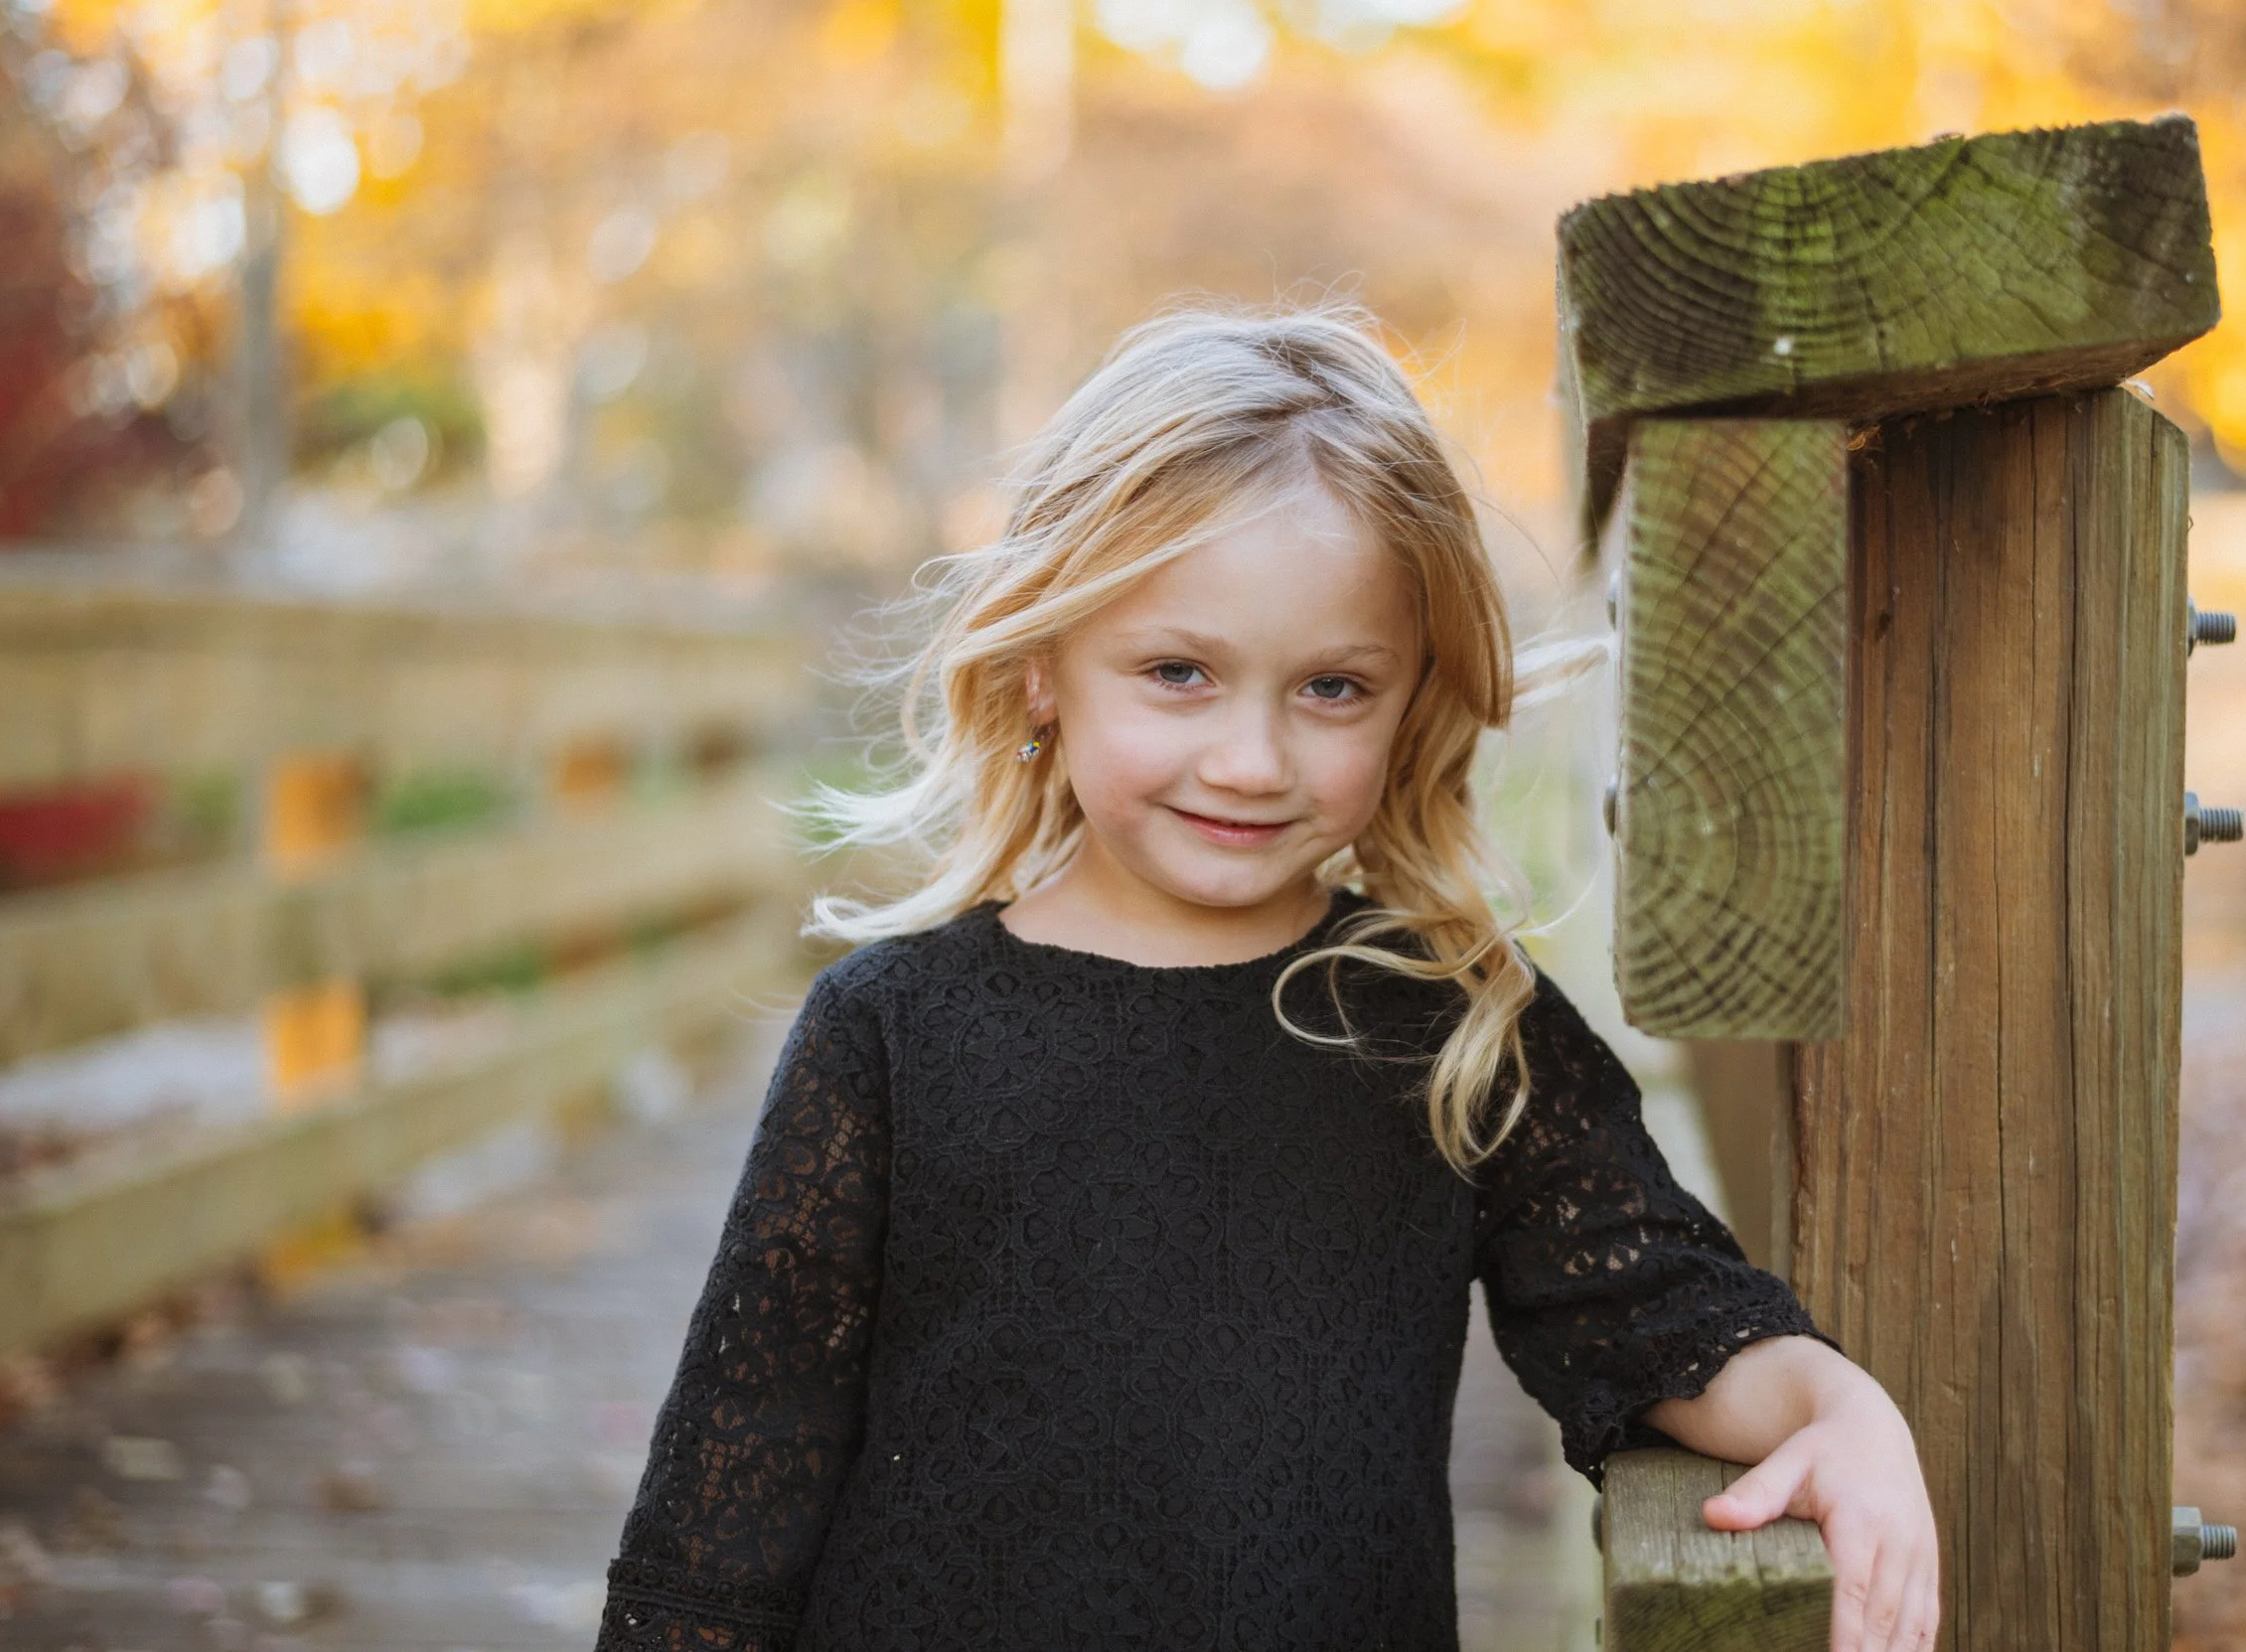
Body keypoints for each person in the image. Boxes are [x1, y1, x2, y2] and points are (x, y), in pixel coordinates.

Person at [592, 306, 1937, 1652]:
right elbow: (731, 1491)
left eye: (1334, 689)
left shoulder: (1454, 1022)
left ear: (1414, 690)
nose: (1251, 757)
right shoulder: (890, 1028)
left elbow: (1659, 1311)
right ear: (1038, 663)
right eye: (1179, 672)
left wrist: (1839, 1412)